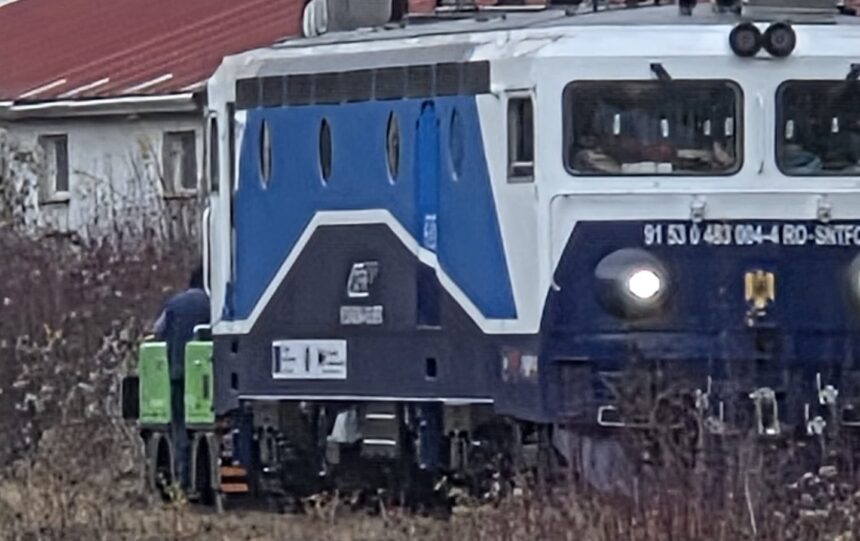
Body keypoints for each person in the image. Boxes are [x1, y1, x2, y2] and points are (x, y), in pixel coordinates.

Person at [152, 263, 210, 491]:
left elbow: (158, 331)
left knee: (179, 428)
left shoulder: (175, 303)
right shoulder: (214, 303)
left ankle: (181, 481)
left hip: (178, 372)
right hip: (209, 375)